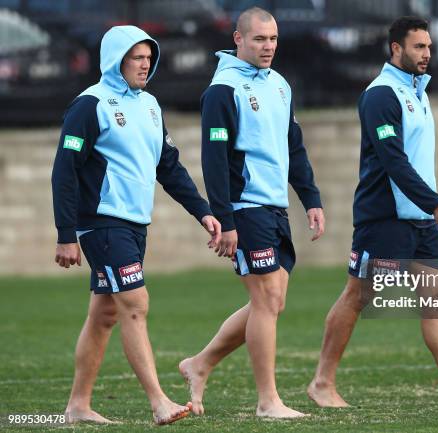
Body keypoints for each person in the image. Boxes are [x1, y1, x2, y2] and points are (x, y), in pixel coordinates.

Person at [307, 16, 438, 408]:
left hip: (420, 222)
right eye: (418, 47)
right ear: (395, 48)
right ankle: (321, 383)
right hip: (384, 220)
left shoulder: (419, 91)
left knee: (436, 301)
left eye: (429, 47)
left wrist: (428, 208)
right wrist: (436, 203)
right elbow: (394, 162)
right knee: (357, 296)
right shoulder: (381, 95)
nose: (427, 54)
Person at [51, 25, 221, 425]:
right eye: (136, 58)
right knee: (135, 305)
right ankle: (159, 401)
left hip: (134, 225)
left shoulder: (149, 106)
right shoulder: (88, 105)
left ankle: (78, 405)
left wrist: (203, 210)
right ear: (116, 60)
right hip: (103, 224)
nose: (145, 65)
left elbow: (169, 167)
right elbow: (64, 172)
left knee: (105, 315)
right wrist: (65, 234)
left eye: (149, 58)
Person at [178, 7, 324, 418]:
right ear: (238, 39)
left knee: (272, 303)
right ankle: (268, 402)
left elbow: (294, 146)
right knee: (266, 299)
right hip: (245, 208)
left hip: (276, 207)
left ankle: (199, 364)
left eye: (273, 39)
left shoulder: (279, 85)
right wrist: (224, 220)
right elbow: (215, 160)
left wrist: (310, 198)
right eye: (259, 39)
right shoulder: (222, 90)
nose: (268, 47)